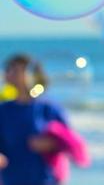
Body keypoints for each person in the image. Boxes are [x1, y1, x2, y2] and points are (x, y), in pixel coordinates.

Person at [0, 54, 89, 185]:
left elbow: (72, 142)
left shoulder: (48, 108)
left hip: (45, 178)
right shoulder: (3, 110)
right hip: (12, 178)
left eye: (15, 69)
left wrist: (51, 144)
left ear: (32, 74)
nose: (9, 73)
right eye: (8, 69)